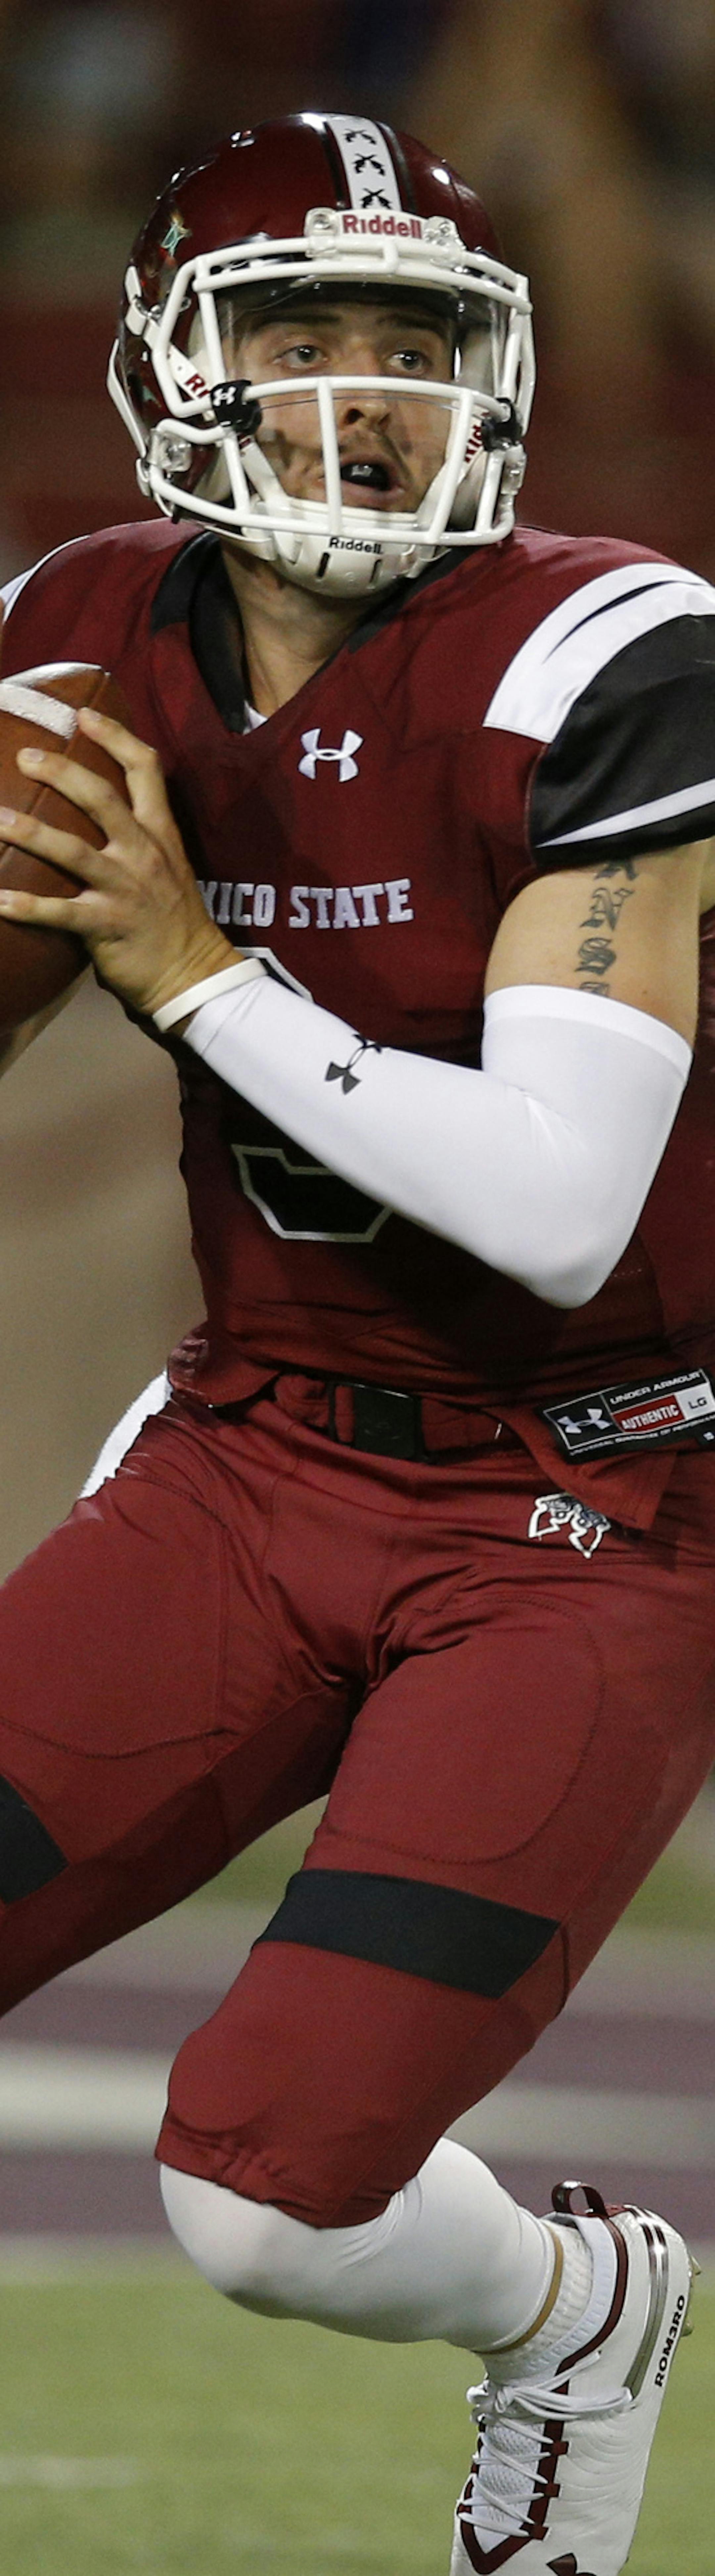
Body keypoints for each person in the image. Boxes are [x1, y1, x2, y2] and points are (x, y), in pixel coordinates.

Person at [0, 110, 713, 2575]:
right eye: (301, 335)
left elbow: (551, 1203)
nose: (360, 394)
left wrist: (192, 967)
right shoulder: (83, 625)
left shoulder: (610, 645)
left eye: (409, 343)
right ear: (175, 365)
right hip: (255, 1452)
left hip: (589, 1499)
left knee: (271, 2205)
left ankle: (581, 2305)